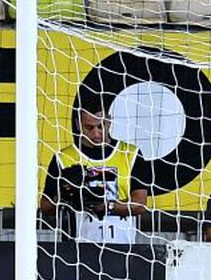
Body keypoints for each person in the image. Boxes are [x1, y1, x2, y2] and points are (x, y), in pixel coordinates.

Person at [40, 103, 148, 243]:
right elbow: (45, 206)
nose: (96, 133)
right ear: (78, 125)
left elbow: (140, 204)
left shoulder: (130, 154)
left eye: (101, 126)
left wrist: (107, 206)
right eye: (89, 127)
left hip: (123, 247)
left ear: (109, 122)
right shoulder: (64, 158)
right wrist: (64, 196)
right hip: (78, 248)